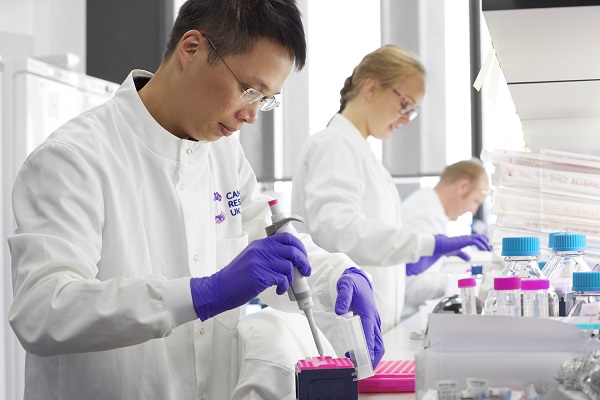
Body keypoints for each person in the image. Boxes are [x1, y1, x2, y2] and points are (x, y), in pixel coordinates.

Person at [7, 1, 383, 399]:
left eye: (266, 99)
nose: (252, 115)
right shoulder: (75, 157)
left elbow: (272, 246)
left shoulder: (222, 154)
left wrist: (337, 274)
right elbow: (42, 310)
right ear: (192, 49)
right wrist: (203, 293)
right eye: (249, 89)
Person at [291, 45, 492, 334]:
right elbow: (339, 231)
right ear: (371, 88)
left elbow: (371, 243)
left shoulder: (365, 157)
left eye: (413, 111)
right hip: (340, 327)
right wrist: (425, 244)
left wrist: (407, 264)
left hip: (371, 326)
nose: (406, 119)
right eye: (405, 104)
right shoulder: (334, 145)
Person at [401, 159, 490, 318]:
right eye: (476, 201)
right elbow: (412, 289)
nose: (474, 210)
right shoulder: (424, 214)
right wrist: (469, 283)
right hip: (402, 318)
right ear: (463, 186)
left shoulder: (431, 208)